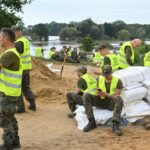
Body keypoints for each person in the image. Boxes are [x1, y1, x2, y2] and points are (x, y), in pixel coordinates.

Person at [82, 65, 123, 136]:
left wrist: (106, 95)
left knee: (119, 99)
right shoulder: (100, 78)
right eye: (104, 74)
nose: (106, 76)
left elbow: (116, 96)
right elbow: (97, 90)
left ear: (111, 72)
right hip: (100, 101)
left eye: (107, 74)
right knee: (86, 95)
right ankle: (91, 122)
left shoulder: (117, 81)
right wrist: (98, 94)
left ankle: (115, 125)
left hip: (110, 103)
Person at [0, 28, 22, 149]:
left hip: (8, 93)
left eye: (0, 37)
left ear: (5, 38)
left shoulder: (10, 54)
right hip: (10, 92)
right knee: (10, 118)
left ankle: (8, 145)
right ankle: (15, 142)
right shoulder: (9, 53)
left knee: (4, 119)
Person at [12, 26, 36, 113]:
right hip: (26, 67)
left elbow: (13, 54)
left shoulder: (18, 43)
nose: (13, 34)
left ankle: (21, 108)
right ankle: (33, 105)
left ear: (19, 32)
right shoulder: (25, 40)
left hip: (20, 68)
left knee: (18, 88)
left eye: (14, 32)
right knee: (26, 87)